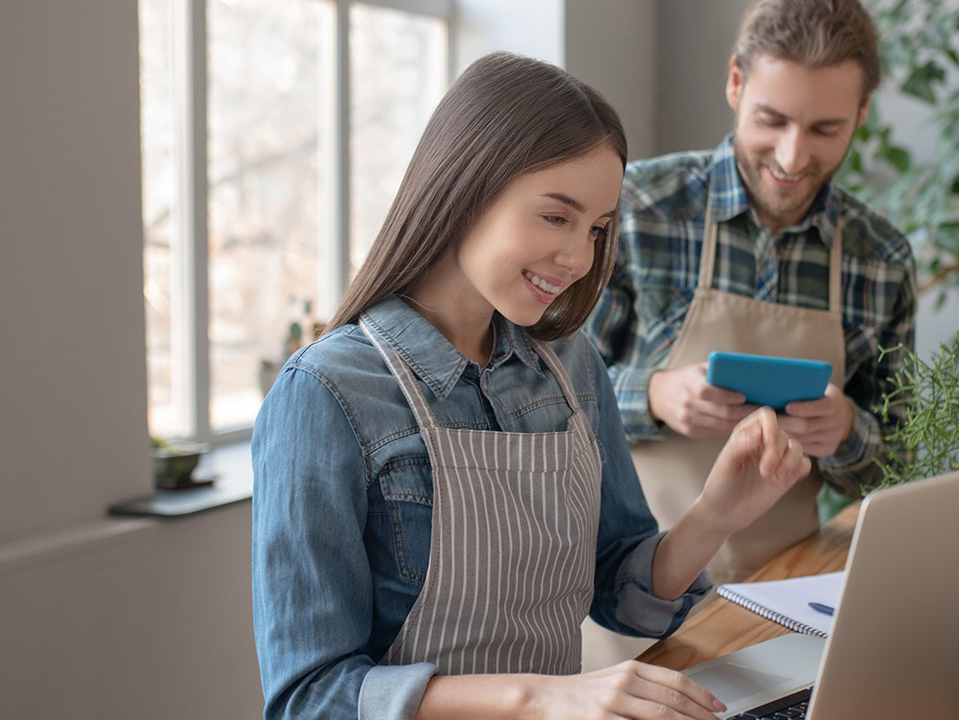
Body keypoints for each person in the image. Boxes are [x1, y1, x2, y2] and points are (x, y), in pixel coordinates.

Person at [251, 52, 812, 719]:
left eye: (598, 228)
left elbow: (616, 584)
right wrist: (535, 697)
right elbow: (309, 698)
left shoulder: (572, 367)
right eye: (555, 217)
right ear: (465, 190)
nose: (579, 258)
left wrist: (716, 513)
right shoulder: (326, 393)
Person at [587, 0, 916, 584]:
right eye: (773, 120)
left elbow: (899, 470)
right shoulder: (637, 210)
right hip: (618, 586)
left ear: (861, 113)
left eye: (824, 129)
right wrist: (654, 396)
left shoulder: (881, 259)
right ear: (736, 84)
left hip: (784, 596)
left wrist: (846, 431)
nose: (792, 157)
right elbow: (543, 407)